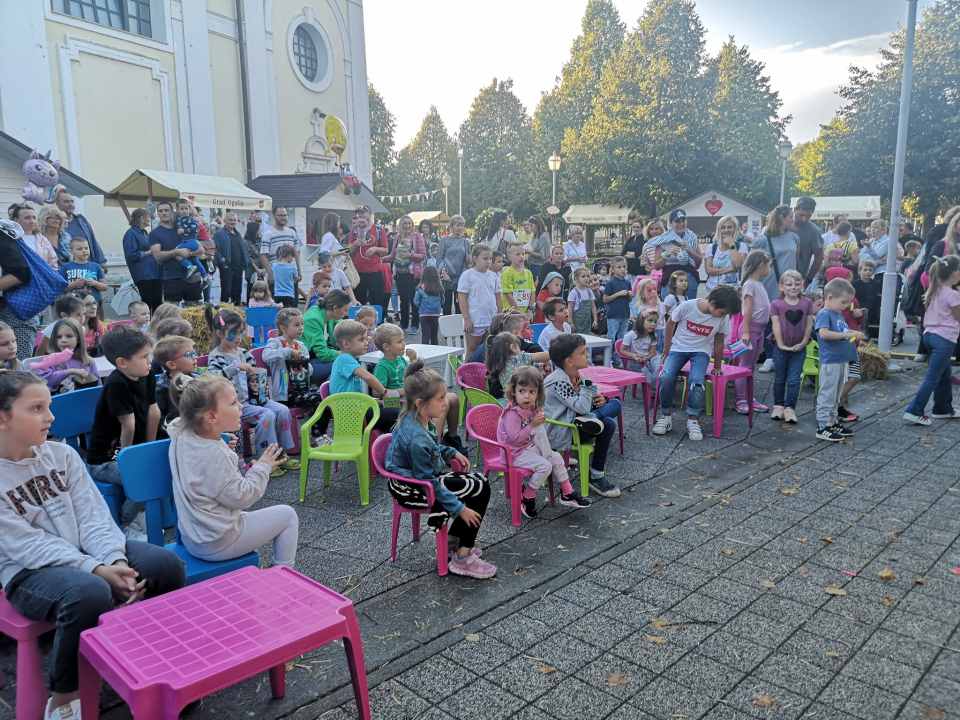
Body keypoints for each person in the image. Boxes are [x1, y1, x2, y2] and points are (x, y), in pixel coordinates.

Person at [0, 370, 185, 720]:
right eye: (37, 408)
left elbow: (94, 517)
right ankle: (65, 695)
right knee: (88, 592)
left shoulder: (62, 455)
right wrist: (97, 570)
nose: (51, 417)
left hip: (90, 552)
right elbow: (26, 546)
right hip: (27, 571)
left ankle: (159, 668)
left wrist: (113, 560)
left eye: (49, 406)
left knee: (166, 566)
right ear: (2, 418)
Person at [167, 373, 298, 568]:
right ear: (211, 416)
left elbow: (175, 424)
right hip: (218, 540)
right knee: (288, 516)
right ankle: (285, 575)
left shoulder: (182, 433)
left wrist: (220, 439)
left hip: (193, 536)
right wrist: (263, 467)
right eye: (233, 403)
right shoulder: (214, 454)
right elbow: (242, 496)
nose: (241, 407)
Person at [384, 360, 495, 578]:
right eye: (441, 398)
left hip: (416, 480)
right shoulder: (416, 437)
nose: (446, 403)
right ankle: (462, 557)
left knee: (480, 482)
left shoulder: (417, 417)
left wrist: (451, 452)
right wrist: (458, 509)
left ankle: (453, 540)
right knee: (480, 488)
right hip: (412, 490)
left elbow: (432, 449)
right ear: (419, 402)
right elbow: (429, 481)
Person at [85, 325, 159, 538]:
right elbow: (129, 424)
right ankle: (125, 524)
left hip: (133, 450)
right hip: (104, 460)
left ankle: (141, 513)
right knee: (143, 478)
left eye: (149, 355)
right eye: (144, 356)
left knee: (156, 468)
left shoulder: (148, 373)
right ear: (122, 363)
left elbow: (154, 412)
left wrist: (149, 449)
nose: (149, 361)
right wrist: (131, 461)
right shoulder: (116, 384)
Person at [205, 305, 300, 472]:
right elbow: (214, 378)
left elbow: (254, 375)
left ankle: (281, 454)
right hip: (238, 404)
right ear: (220, 334)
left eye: (241, 332)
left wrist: (260, 384)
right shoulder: (217, 356)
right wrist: (236, 367)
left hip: (256, 399)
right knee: (267, 415)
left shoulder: (244, 353)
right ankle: (265, 461)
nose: (239, 337)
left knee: (283, 411)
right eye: (233, 333)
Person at [498, 365, 589, 518]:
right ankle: (527, 496)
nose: (527, 396)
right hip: (513, 453)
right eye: (522, 391)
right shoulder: (512, 413)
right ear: (513, 391)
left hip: (527, 447)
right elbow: (514, 438)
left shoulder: (532, 407)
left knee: (557, 458)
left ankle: (567, 493)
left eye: (532, 392)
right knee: (545, 466)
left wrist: (538, 422)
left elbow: (536, 432)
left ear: (538, 393)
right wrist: (533, 424)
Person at [652, 286, 741, 442]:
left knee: (696, 381)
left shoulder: (721, 317)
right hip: (678, 348)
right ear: (712, 303)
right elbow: (670, 323)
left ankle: (692, 420)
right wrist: (667, 348)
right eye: (722, 312)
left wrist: (718, 366)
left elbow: (719, 341)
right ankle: (665, 417)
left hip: (701, 351)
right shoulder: (688, 306)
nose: (723, 315)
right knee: (665, 377)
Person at [543, 333, 622, 497]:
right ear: (569, 361)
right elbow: (582, 407)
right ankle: (596, 475)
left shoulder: (575, 375)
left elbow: (583, 404)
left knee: (615, 403)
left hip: (577, 419)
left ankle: (594, 418)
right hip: (564, 431)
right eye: (583, 352)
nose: (588, 356)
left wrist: (599, 399)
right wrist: (587, 387)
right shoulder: (558, 382)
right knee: (608, 423)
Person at [373, 323, 464, 450]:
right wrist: (402, 391)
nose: (404, 344)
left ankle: (452, 437)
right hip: (404, 403)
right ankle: (434, 444)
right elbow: (377, 393)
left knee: (453, 397)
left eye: (403, 340)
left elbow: (413, 378)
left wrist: (414, 363)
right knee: (446, 402)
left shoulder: (400, 360)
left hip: (414, 397)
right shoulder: (382, 366)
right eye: (399, 342)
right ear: (386, 346)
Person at [903, 256, 960, 425]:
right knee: (933, 376)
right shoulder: (952, 295)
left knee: (944, 374)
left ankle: (942, 408)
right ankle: (914, 410)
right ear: (956, 274)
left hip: (929, 337)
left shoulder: (933, 290)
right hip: (945, 339)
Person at [752, 205, 800, 373]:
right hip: (770, 283)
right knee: (768, 320)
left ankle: (785, 354)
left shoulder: (794, 238)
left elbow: (796, 259)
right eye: (789, 217)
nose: (792, 220)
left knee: (788, 319)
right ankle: (770, 356)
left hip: (789, 284)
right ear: (780, 218)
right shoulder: (763, 239)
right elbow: (752, 263)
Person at [814, 277, 864, 441]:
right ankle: (822, 426)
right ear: (830, 298)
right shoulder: (824, 313)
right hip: (831, 360)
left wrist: (853, 332)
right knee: (827, 394)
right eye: (843, 302)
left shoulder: (837, 313)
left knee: (835, 395)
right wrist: (849, 334)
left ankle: (833, 421)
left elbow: (842, 329)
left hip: (841, 359)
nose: (846, 306)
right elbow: (824, 333)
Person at [329, 319, 400, 430]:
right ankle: (389, 444)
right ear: (346, 344)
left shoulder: (348, 359)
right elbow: (368, 377)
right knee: (397, 414)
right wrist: (385, 393)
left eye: (366, 339)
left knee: (396, 407)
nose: (366, 343)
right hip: (350, 414)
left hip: (356, 408)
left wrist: (380, 402)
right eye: (361, 340)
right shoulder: (345, 359)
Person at [769, 270, 815, 423]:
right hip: (780, 347)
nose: (793, 287)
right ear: (782, 287)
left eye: (797, 284)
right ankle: (778, 405)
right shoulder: (776, 304)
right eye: (789, 284)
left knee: (794, 379)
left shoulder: (807, 303)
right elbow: (775, 325)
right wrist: (781, 344)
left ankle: (790, 408)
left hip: (799, 348)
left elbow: (809, 324)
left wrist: (803, 343)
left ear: (802, 285)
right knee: (780, 378)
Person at [262, 307, 323, 413]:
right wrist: (289, 351)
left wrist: (305, 363)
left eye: (302, 324)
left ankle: (317, 428)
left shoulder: (301, 346)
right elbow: (266, 356)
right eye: (296, 325)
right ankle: (317, 428)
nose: (301, 328)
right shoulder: (275, 342)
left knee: (327, 395)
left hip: (302, 389)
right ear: (283, 328)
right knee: (321, 398)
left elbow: (310, 372)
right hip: (285, 396)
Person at [734, 250, 772, 414]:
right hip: (750, 330)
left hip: (759, 330)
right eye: (769, 266)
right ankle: (740, 399)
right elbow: (747, 309)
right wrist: (747, 332)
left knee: (751, 366)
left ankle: (749, 397)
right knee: (744, 366)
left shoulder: (759, 284)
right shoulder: (749, 284)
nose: (770, 269)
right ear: (761, 265)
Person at [150, 201, 204, 306]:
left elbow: (201, 251)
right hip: (172, 277)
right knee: (172, 312)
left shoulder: (184, 227)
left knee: (193, 312)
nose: (164, 213)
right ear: (158, 214)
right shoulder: (154, 234)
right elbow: (157, 256)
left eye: (166, 210)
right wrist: (177, 252)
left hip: (192, 277)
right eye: (160, 211)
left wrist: (188, 253)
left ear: (173, 213)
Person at [458, 244, 503, 360]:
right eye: (485, 259)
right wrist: (467, 319)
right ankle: (466, 376)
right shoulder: (467, 275)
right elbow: (462, 298)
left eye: (490, 259)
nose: (488, 262)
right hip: (475, 321)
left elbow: (498, 297)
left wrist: (501, 316)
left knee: (488, 351)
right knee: (472, 350)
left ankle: (483, 376)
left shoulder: (494, 276)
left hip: (491, 320)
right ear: (475, 258)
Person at [36, 318, 100, 394]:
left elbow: (98, 386)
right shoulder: (50, 360)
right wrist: (69, 372)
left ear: (79, 339)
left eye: (69, 336)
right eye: (59, 337)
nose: (63, 340)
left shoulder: (88, 362)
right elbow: (47, 382)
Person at [385, 216, 427, 331]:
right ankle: (404, 324)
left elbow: (423, 255)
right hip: (400, 273)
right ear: (401, 225)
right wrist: (381, 259)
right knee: (403, 299)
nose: (407, 226)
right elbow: (392, 255)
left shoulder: (417, 236)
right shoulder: (397, 237)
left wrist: (410, 255)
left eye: (409, 223)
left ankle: (415, 324)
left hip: (414, 274)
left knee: (414, 299)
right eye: (405, 224)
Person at [650, 209, 702, 299]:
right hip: (671, 277)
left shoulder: (692, 237)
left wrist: (690, 250)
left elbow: (699, 261)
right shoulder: (664, 240)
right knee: (670, 308)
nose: (681, 224)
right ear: (671, 223)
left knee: (689, 308)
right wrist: (666, 255)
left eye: (683, 221)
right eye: (677, 221)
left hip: (689, 278)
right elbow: (656, 266)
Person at [347, 205, 388, 317]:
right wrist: (355, 243)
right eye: (358, 213)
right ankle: (359, 326)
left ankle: (378, 325)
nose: (361, 215)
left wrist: (375, 249)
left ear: (370, 213)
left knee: (377, 300)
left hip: (375, 270)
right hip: (358, 271)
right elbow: (349, 250)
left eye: (363, 212)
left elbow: (385, 250)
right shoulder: (355, 230)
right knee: (359, 300)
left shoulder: (379, 230)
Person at [485, 332, 551, 400]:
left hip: (509, 401)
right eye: (519, 347)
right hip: (525, 398)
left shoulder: (499, 364)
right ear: (513, 347)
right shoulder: (521, 357)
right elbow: (547, 356)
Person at [303, 289, 350, 382]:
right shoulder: (313, 319)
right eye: (345, 310)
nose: (347, 314)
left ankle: (328, 392)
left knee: (348, 362)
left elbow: (346, 329)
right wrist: (347, 352)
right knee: (345, 363)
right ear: (335, 308)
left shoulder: (331, 315)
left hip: (316, 360)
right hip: (303, 367)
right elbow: (323, 355)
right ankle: (328, 393)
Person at [154, 334, 198, 429]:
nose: (195, 357)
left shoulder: (197, 380)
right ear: (171, 364)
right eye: (189, 354)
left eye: (194, 352)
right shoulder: (162, 390)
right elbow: (160, 423)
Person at [55, 192, 107, 273]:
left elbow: (93, 241)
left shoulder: (82, 221)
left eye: (72, 201)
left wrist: (101, 261)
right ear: (58, 204)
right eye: (66, 202)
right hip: (69, 269)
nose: (70, 204)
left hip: (89, 266)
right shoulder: (55, 225)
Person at [122, 207, 162, 311]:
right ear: (142, 218)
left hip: (155, 273)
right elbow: (131, 255)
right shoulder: (130, 234)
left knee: (158, 303)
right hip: (143, 275)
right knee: (147, 303)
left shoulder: (145, 233)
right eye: (149, 217)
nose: (151, 219)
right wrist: (149, 252)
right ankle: (146, 325)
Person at [260, 206, 302, 290]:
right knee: (276, 302)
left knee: (292, 301)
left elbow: (297, 252)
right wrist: (270, 273)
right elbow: (263, 255)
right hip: (276, 275)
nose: (283, 218)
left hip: (290, 274)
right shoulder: (268, 234)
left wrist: (298, 270)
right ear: (274, 217)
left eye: (285, 215)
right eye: (281, 215)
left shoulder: (292, 232)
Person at [173, 199, 212, 287]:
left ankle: (188, 266)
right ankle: (205, 276)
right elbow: (172, 225)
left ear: (189, 209)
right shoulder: (178, 220)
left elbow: (196, 229)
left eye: (186, 209)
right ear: (178, 210)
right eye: (182, 209)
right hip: (186, 241)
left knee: (175, 252)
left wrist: (184, 230)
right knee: (196, 260)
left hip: (191, 241)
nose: (184, 211)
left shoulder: (191, 219)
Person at [437, 215, 471, 315]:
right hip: (447, 276)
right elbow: (439, 258)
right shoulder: (444, 240)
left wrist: (469, 262)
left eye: (462, 225)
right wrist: (444, 273)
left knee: (460, 303)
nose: (460, 228)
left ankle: (459, 326)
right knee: (447, 304)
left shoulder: (465, 242)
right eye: (457, 225)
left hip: (461, 276)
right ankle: (446, 327)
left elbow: (468, 260)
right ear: (451, 226)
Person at [603, 256, 633, 367]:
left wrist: (630, 295)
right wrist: (618, 294)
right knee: (611, 336)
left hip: (624, 314)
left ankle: (620, 357)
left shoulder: (627, 282)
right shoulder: (610, 282)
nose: (622, 269)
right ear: (612, 269)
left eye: (624, 267)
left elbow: (629, 300)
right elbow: (605, 299)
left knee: (622, 338)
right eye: (619, 267)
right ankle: (608, 358)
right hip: (614, 315)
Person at [703, 215, 748, 290]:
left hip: (734, 290)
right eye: (723, 227)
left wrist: (731, 245)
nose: (726, 230)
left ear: (735, 229)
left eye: (730, 227)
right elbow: (708, 270)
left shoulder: (742, 246)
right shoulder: (712, 248)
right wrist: (729, 270)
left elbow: (737, 264)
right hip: (713, 290)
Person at [213, 212, 248, 306]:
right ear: (224, 221)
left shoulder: (238, 234)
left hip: (238, 267)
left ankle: (236, 314)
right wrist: (221, 261)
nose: (232, 222)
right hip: (227, 267)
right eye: (230, 220)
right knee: (226, 292)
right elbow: (215, 249)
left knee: (237, 293)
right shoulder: (219, 234)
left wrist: (244, 262)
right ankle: (224, 314)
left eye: (234, 220)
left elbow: (242, 249)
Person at [60, 236, 107, 303]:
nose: (84, 251)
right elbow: (61, 288)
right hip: (72, 304)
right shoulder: (66, 266)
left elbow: (104, 287)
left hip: (91, 303)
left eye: (86, 248)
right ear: (72, 251)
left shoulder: (96, 266)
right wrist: (75, 284)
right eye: (80, 249)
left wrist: (95, 283)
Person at [620, 308, 660, 388]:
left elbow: (653, 352)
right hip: (634, 363)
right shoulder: (631, 335)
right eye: (650, 321)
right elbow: (622, 350)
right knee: (650, 375)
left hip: (647, 361)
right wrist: (634, 355)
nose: (653, 324)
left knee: (659, 361)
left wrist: (645, 358)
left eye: (655, 322)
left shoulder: (652, 336)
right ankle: (653, 385)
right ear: (641, 322)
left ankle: (656, 383)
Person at [791, 197, 825, 289]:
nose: (804, 219)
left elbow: (819, 257)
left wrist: (808, 281)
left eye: (808, 216)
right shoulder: (783, 227)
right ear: (794, 210)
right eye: (801, 215)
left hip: (798, 279)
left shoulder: (814, 231)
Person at [11, 204, 58, 269]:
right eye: (27, 218)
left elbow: (53, 263)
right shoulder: (10, 239)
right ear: (16, 220)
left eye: (34, 218)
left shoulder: (43, 240)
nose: (32, 221)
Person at [501, 241, 536, 317]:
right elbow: (508, 295)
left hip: (527, 313)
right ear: (509, 257)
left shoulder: (528, 273)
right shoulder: (507, 274)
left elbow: (532, 292)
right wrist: (519, 312)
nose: (521, 256)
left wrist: (530, 309)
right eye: (517, 254)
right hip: (512, 314)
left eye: (523, 254)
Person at [414, 265, 444, 346]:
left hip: (424, 314)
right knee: (434, 336)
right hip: (435, 314)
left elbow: (416, 301)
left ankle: (425, 353)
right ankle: (435, 353)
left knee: (425, 335)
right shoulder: (439, 288)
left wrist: (420, 307)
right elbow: (442, 301)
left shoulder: (421, 288)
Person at [853, 259, 879, 336]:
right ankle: (861, 329)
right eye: (865, 270)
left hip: (871, 307)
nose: (868, 272)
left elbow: (875, 298)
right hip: (857, 306)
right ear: (859, 271)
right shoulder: (855, 284)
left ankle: (864, 330)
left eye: (870, 270)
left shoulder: (875, 284)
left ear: (873, 272)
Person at [567, 267, 597, 334]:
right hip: (577, 323)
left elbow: (593, 307)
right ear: (576, 279)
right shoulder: (574, 292)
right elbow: (570, 308)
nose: (586, 278)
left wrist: (595, 320)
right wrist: (570, 322)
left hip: (587, 323)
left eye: (587, 276)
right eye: (583, 276)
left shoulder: (589, 291)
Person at [243, 220, 266, 303]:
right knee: (252, 289)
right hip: (252, 270)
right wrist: (257, 269)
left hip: (262, 268)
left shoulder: (260, 241)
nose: (260, 230)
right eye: (259, 229)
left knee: (262, 289)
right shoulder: (246, 242)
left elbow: (264, 253)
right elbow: (248, 257)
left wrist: (264, 268)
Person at [524, 215, 552, 280]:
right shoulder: (534, 236)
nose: (530, 228)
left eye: (531, 226)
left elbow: (544, 256)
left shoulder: (543, 236)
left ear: (538, 225)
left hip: (539, 267)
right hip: (531, 265)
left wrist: (530, 252)